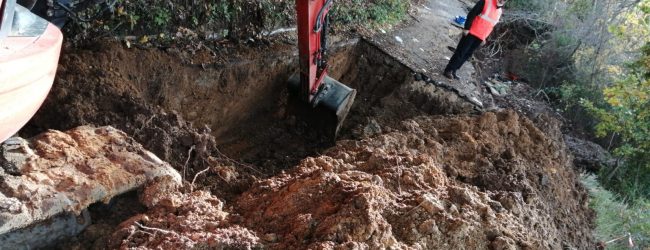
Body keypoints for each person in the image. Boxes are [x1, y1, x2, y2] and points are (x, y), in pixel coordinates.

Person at [444, 0, 506, 80]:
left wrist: (484, 38)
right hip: (471, 32)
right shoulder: (486, 2)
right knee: (461, 52)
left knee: (467, 55)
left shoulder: (499, 11)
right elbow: (472, 14)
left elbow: (491, 26)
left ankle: (454, 71)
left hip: (480, 37)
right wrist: (467, 28)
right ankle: (448, 70)